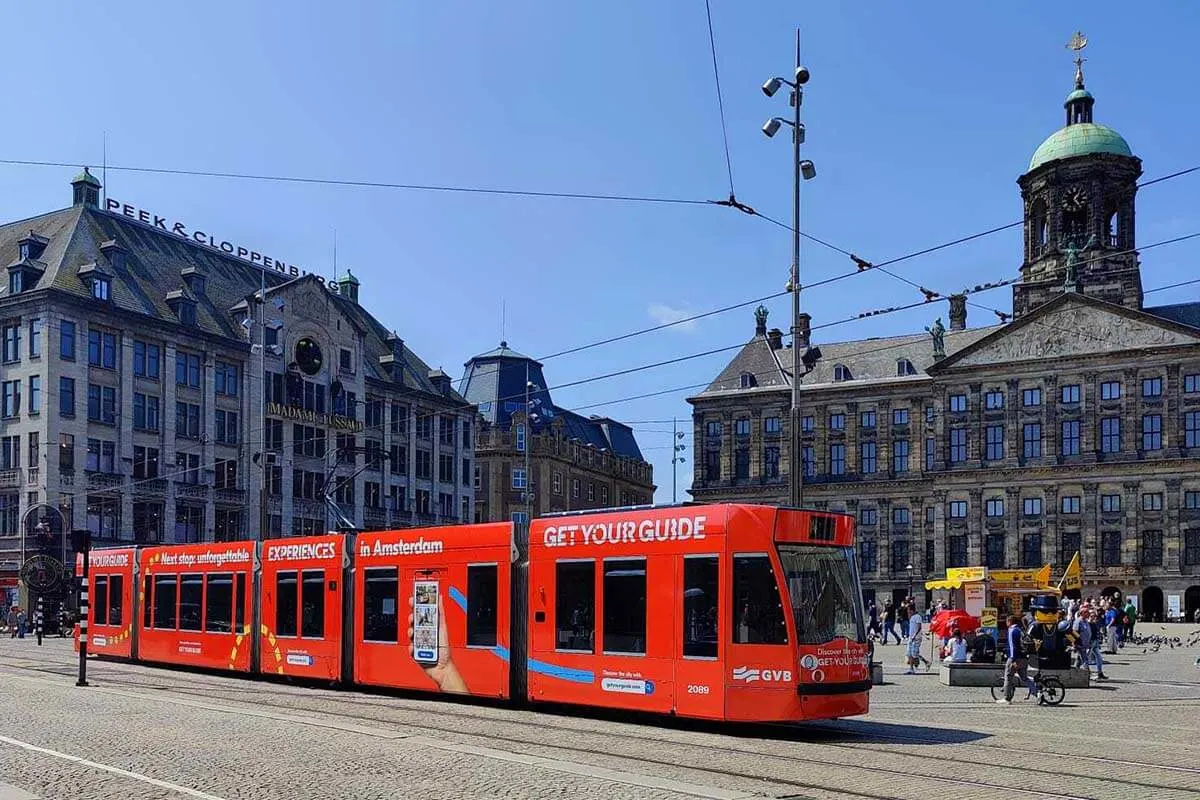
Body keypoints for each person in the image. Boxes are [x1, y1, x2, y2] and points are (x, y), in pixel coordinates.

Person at [998, 615, 1035, 704]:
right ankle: (1037, 691)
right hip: (1024, 658)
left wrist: (1013, 660)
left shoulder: (1012, 631)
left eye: (1007, 621)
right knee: (1024, 678)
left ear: (1009, 622)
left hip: (1014, 658)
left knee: (1008, 676)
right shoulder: (1020, 630)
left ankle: (1007, 698)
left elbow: (1012, 647)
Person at [903, 605, 931, 673]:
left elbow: (919, 627)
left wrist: (915, 635)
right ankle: (912, 668)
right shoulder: (911, 617)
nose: (908, 612)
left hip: (916, 638)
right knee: (909, 653)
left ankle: (924, 663)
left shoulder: (917, 617)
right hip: (911, 637)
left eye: (909, 610)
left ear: (912, 610)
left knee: (914, 654)